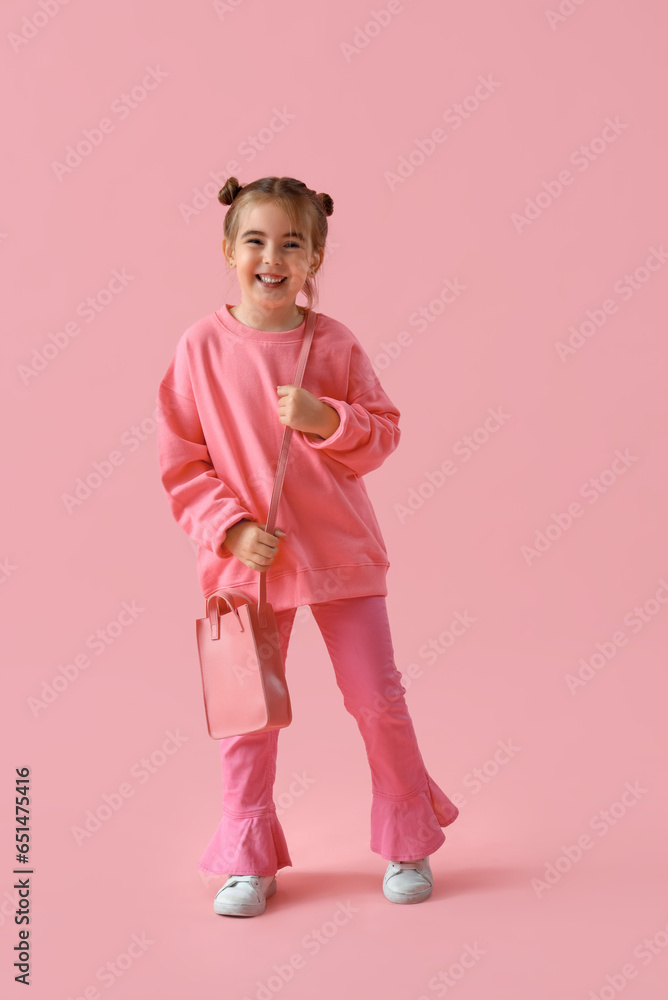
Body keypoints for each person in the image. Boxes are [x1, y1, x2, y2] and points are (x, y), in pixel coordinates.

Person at [156, 175, 459, 917]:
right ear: (228, 250)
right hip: (243, 571)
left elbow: (382, 432)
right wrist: (230, 526)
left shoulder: (335, 343)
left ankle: (406, 839)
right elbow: (181, 462)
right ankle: (247, 857)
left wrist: (328, 420)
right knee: (245, 717)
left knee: (377, 701)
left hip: (342, 559)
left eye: (292, 243)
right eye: (256, 240)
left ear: (314, 257)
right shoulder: (199, 348)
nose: (272, 257)